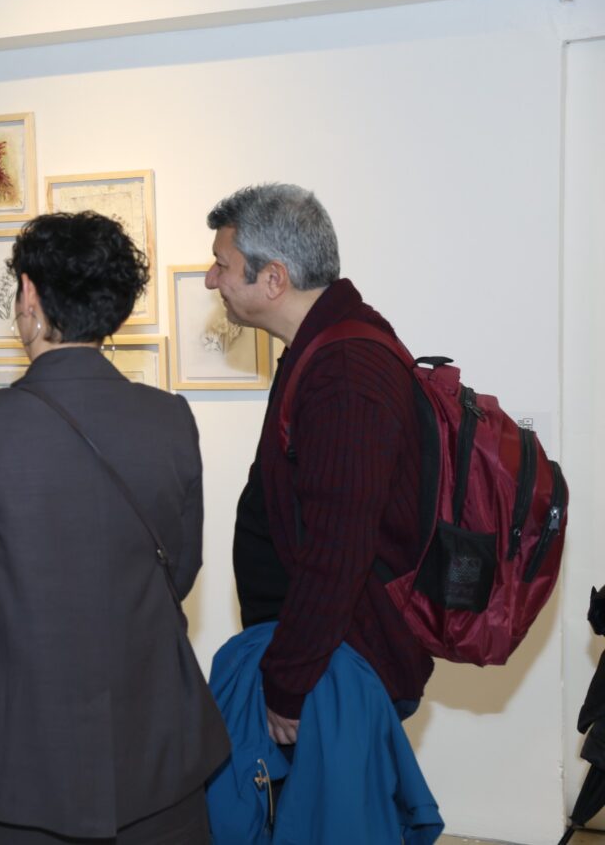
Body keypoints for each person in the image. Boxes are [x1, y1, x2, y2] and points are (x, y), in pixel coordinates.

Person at [0, 211, 230, 844]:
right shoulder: (170, 418)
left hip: (17, 757)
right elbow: (180, 572)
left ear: (29, 296)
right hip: (155, 743)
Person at [202, 184, 436, 822]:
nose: (211, 279)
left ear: (273, 278)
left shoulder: (346, 374)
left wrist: (289, 682)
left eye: (222, 264)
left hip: (333, 668)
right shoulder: (324, 348)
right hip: (322, 660)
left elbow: (339, 549)